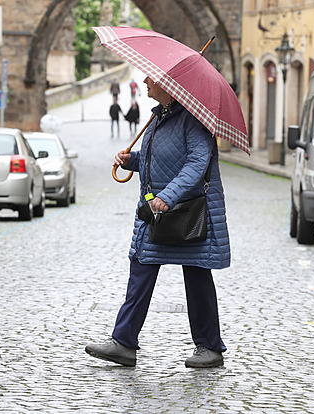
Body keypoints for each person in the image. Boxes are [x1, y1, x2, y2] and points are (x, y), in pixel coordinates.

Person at [85, 76, 229, 368]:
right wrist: (132, 161)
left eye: (152, 79)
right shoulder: (157, 118)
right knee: (141, 268)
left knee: (197, 276)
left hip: (189, 212)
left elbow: (198, 162)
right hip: (157, 211)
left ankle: (210, 347)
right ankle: (123, 342)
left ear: (170, 85)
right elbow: (160, 160)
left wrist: (168, 195)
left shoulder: (193, 119)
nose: (146, 82)